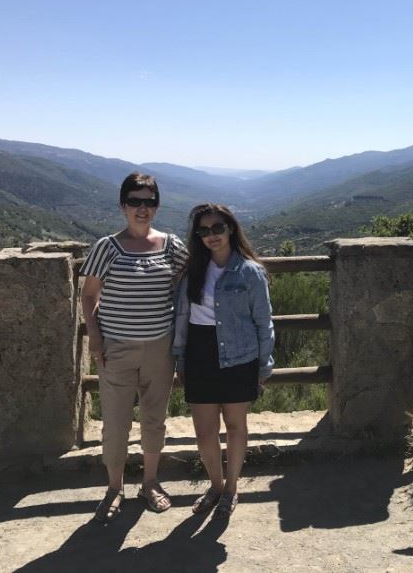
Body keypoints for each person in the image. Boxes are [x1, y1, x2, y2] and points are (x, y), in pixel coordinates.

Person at [79, 172, 189, 523]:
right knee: (115, 422)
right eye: (135, 202)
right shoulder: (106, 247)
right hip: (117, 348)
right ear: (123, 205)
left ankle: (150, 483)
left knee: (154, 420)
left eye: (149, 201)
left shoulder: (171, 246)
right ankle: (114, 487)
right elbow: (88, 294)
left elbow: (191, 280)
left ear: (157, 205)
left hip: (161, 347)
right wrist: (94, 335)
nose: (143, 209)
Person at [173, 203, 274, 519]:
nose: (211, 235)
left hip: (240, 355)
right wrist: (180, 359)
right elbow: (182, 318)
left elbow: (263, 321)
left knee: (235, 426)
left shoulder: (251, 272)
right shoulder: (193, 272)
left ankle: (231, 488)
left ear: (230, 228)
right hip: (200, 353)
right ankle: (215, 485)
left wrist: (263, 366)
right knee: (204, 432)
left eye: (217, 228)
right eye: (204, 230)